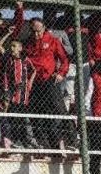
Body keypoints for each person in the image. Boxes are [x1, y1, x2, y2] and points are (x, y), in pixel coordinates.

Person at [24, 17, 70, 150]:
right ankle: (45, 145)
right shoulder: (28, 43)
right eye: (33, 31)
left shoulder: (53, 40)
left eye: (38, 30)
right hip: (34, 83)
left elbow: (64, 59)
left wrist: (61, 73)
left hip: (49, 80)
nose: (36, 34)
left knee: (59, 109)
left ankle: (71, 140)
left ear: (44, 28)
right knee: (37, 113)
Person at [0, 36, 38, 149]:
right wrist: (7, 34)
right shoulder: (8, 58)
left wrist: (30, 82)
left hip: (23, 92)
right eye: (11, 46)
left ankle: (24, 140)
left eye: (14, 46)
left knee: (22, 117)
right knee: (13, 116)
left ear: (20, 48)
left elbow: (34, 70)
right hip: (12, 92)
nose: (12, 48)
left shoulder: (25, 59)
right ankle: (14, 140)